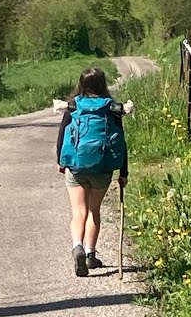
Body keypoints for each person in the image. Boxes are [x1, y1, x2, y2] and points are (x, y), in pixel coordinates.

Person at [55, 67, 129, 277]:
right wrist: (123, 171)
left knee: (79, 211)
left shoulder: (73, 105)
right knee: (94, 211)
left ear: (81, 84)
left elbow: (62, 134)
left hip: (76, 165)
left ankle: (77, 245)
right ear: (103, 84)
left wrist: (61, 160)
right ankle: (90, 255)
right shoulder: (112, 109)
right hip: (102, 167)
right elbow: (121, 142)